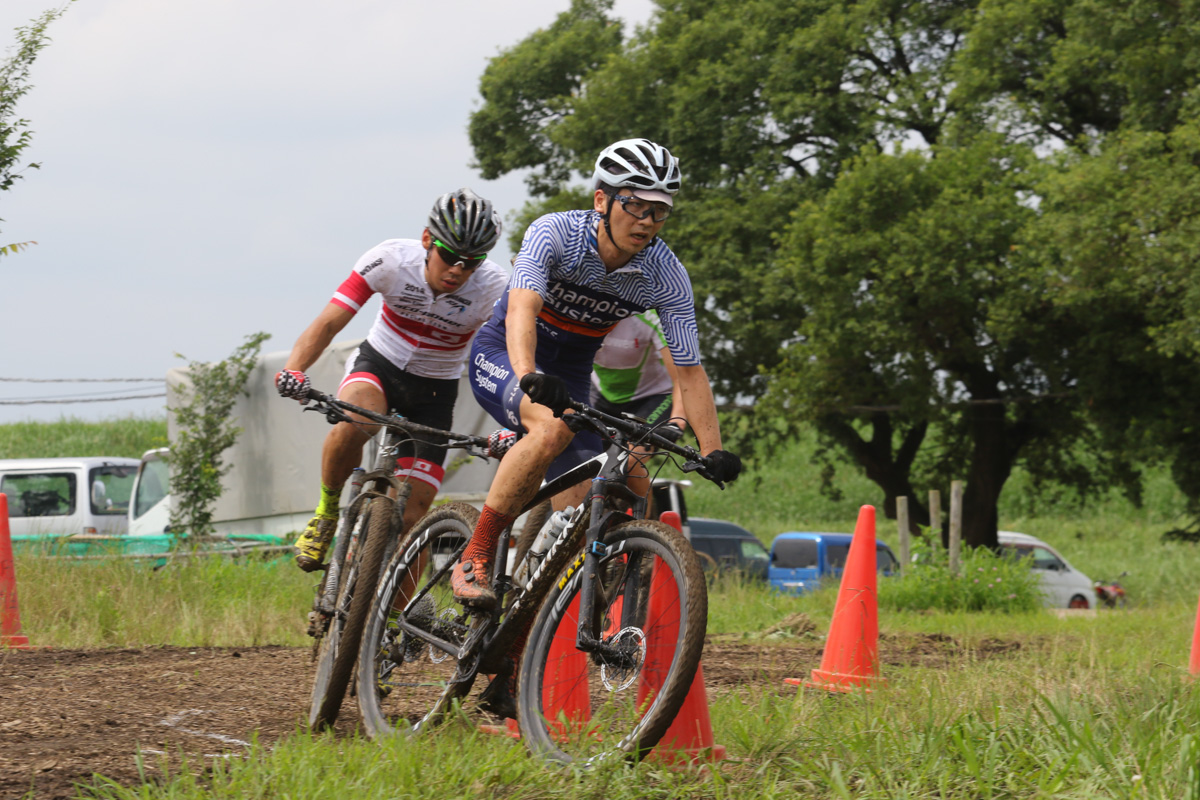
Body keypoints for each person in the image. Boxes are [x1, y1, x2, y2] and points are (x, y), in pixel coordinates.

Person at [459, 138, 743, 716]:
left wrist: (713, 449)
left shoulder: (665, 272)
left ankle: (519, 652)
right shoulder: (554, 234)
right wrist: (528, 375)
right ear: (602, 201)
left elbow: (688, 367)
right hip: (508, 354)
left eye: (660, 210)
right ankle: (477, 552)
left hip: (571, 376)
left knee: (604, 494)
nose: (648, 221)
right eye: (636, 206)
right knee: (549, 432)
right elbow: (521, 314)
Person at [275, 188, 508, 572]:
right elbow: (330, 321)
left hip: (435, 390)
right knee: (359, 420)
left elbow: (511, 359)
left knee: (413, 524)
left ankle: (393, 624)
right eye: (449, 256)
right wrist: (295, 369)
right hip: (380, 365)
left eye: (472, 263)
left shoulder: (494, 289)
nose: (457, 270)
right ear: (427, 240)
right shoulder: (391, 260)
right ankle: (327, 512)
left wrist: (509, 423)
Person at [589, 309, 687, 502]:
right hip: (599, 395)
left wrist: (676, 423)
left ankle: (644, 524)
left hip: (652, 398)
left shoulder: (648, 318)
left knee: (631, 463)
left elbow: (683, 378)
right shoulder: (582, 312)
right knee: (578, 460)